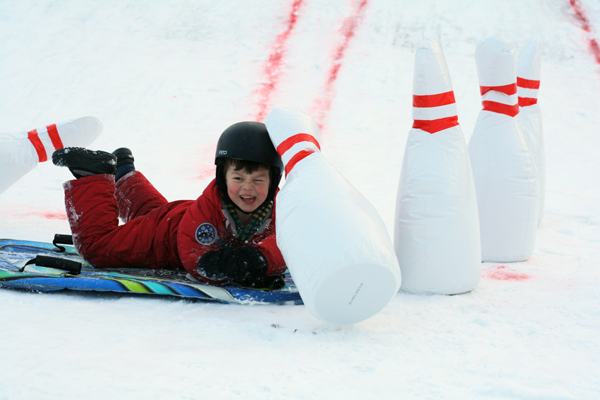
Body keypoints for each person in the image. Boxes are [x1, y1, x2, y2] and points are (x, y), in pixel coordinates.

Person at [52, 122, 287, 290]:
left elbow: (291, 244)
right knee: (97, 247)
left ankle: (123, 172)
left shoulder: (282, 209)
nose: (248, 188)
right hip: (164, 239)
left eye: (258, 180)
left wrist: (260, 260)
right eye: (238, 179)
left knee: (149, 214)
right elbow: (197, 260)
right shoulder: (207, 212)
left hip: (172, 219)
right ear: (223, 178)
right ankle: (93, 173)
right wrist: (243, 268)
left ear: (274, 181)